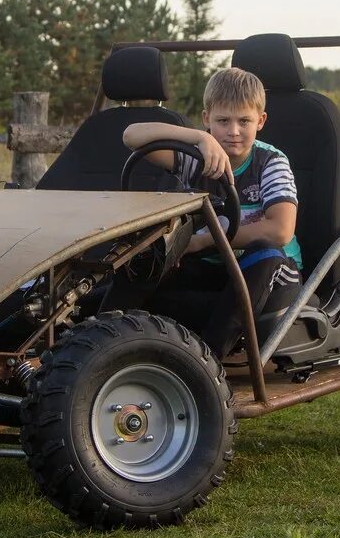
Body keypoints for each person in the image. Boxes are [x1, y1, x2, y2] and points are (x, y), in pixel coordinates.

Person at [121, 67, 302, 357]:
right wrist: (200, 139)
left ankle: (209, 359)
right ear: (207, 119)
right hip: (215, 267)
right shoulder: (197, 158)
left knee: (266, 254)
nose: (233, 131)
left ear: (261, 121)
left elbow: (280, 230)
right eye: (222, 121)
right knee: (147, 259)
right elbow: (132, 136)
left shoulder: (270, 162)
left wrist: (205, 240)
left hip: (269, 273)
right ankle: (103, 336)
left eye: (244, 121)